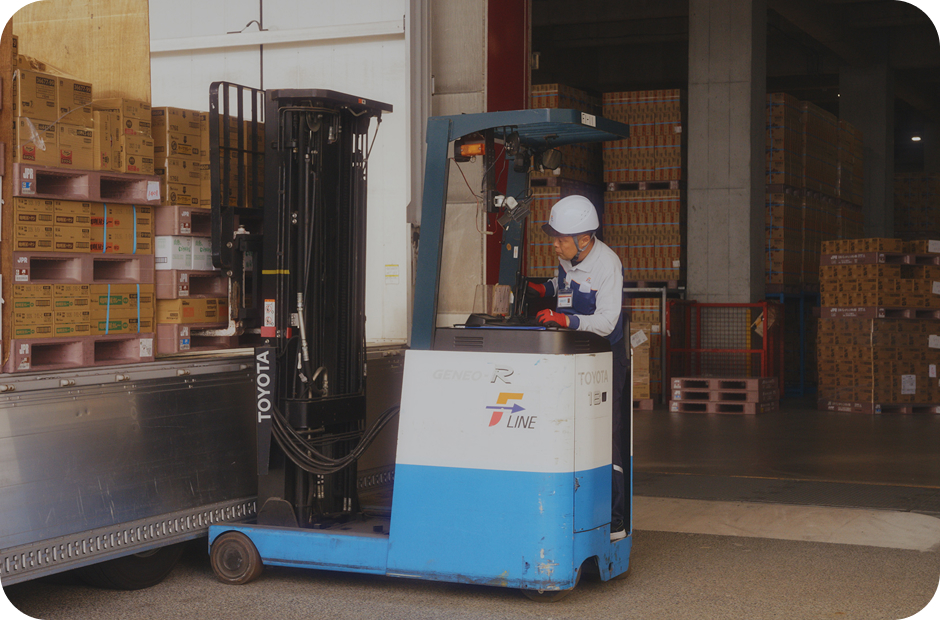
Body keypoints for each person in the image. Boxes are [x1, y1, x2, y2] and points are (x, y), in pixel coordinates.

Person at [526, 194, 629, 542]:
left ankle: (614, 520)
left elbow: (607, 321)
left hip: (604, 357)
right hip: (574, 354)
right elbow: (567, 286)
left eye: (561, 239)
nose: (555, 245)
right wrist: (544, 288)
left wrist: (565, 320)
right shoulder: (569, 257)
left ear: (584, 239)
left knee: (604, 434)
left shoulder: (607, 265)